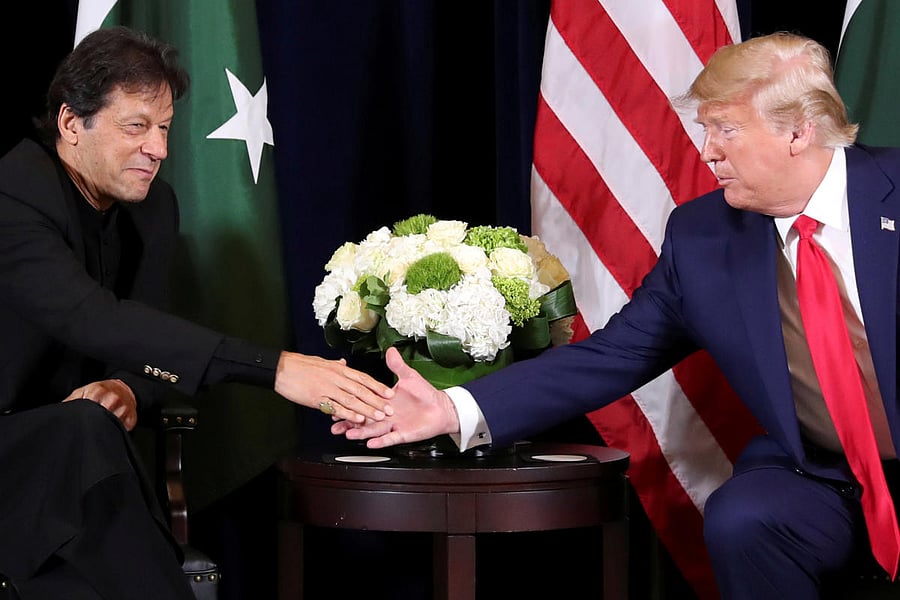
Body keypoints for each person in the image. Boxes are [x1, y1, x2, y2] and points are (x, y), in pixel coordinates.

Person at [335, 31, 900, 598]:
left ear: (798, 130)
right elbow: (614, 354)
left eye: (726, 130)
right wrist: (452, 408)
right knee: (744, 516)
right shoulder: (702, 237)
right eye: (706, 130)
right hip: (817, 473)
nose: (708, 151)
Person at [0, 26, 393, 599]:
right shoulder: (12, 194)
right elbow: (94, 318)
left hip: (79, 462)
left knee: (87, 440)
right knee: (83, 433)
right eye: (136, 126)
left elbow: (147, 339)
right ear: (70, 123)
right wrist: (275, 368)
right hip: (16, 457)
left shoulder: (153, 205)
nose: (158, 150)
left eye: (164, 128)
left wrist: (129, 388)